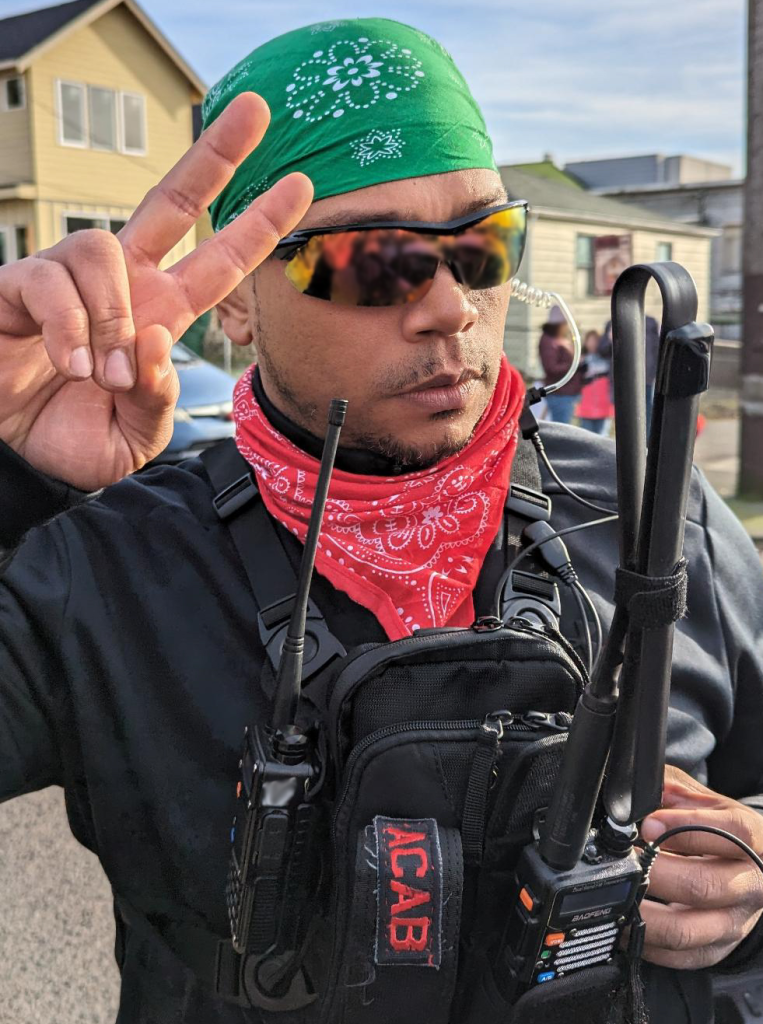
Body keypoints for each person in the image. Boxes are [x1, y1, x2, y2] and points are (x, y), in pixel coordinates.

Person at [0, 18, 762, 1024]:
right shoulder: (109, 570)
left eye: (484, 244)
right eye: (376, 260)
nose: (449, 304)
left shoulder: (653, 516)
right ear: (235, 305)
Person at [538, 305, 585, 423]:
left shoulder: (560, 338)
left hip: (568, 392)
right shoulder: (549, 341)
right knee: (561, 430)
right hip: (560, 394)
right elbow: (551, 368)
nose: (568, 327)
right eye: (566, 323)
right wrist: (574, 366)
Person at [577, 329, 614, 435]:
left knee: (602, 435)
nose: (592, 344)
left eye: (595, 341)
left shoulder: (607, 359)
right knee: (586, 435)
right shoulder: (581, 360)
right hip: (586, 404)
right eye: (590, 340)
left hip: (604, 403)